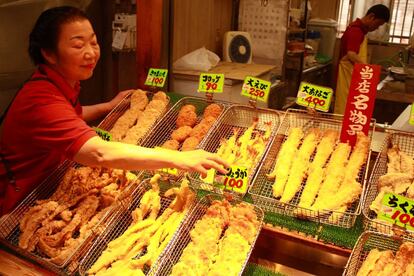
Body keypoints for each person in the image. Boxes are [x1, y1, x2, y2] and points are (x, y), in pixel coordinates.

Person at [0, 6, 228, 215]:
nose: (90, 53)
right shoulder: (40, 99)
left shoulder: (59, 82)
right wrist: (178, 158)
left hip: (49, 185)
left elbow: (69, 117)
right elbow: (99, 153)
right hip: (18, 204)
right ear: (48, 54)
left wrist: (106, 107)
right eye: (78, 45)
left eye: (94, 42)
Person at [334, 4, 390, 114]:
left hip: (352, 78)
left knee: (350, 110)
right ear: (371, 17)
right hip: (346, 79)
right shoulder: (356, 31)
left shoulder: (360, 31)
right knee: (345, 109)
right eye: (378, 24)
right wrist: (370, 68)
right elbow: (351, 54)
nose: (377, 28)